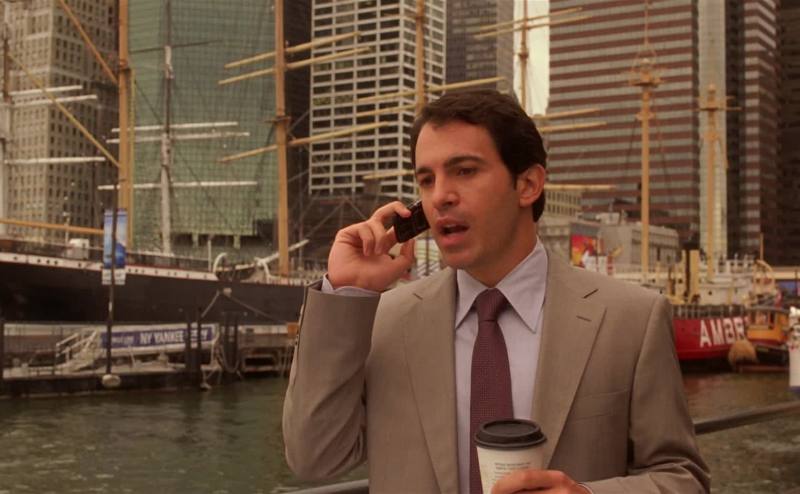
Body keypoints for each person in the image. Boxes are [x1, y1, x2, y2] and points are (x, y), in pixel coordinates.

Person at [283, 89, 709, 494]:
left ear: (528, 185)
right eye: (426, 180)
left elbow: (682, 478)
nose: (440, 197)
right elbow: (314, 457)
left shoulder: (631, 319)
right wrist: (345, 293)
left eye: (464, 171)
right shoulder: (383, 321)